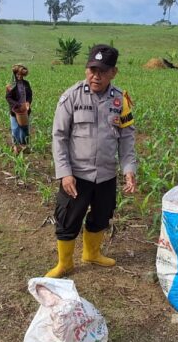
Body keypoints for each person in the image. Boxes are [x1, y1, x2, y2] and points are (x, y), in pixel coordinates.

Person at [46, 44, 137, 278]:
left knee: (101, 216)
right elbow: (59, 137)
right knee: (68, 219)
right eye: (92, 69)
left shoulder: (120, 101)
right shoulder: (71, 97)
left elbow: (126, 137)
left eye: (102, 71)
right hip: (77, 175)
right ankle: (65, 264)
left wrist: (128, 169)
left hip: (106, 175)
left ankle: (92, 254)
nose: (96, 76)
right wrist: (64, 172)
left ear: (113, 72)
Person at [5, 64, 33, 154]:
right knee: (15, 128)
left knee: (24, 128)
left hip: (25, 110)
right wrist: (17, 105)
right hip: (15, 110)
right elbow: (8, 97)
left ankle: (24, 146)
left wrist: (28, 102)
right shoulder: (11, 85)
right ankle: (15, 147)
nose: (19, 77)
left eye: (21, 75)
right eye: (18, 75)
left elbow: (29, 95)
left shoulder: (26, 84)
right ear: (15, 74)